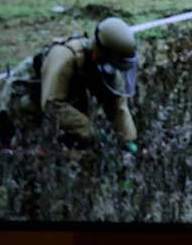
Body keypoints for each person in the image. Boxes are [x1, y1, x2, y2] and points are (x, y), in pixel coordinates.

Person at [34, 17, 139, 148]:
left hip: (66, 99)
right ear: (98, 54)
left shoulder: (106, 64)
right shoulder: (65, 57)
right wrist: (89, 130)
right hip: (30, 99)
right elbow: (52, 105)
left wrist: (129, 141)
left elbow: (117, 105)